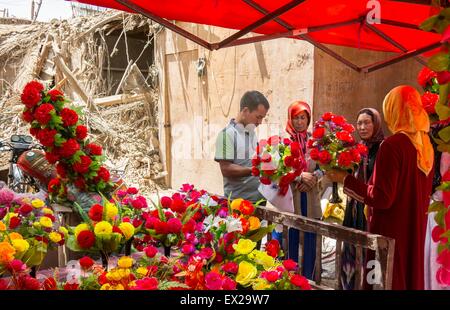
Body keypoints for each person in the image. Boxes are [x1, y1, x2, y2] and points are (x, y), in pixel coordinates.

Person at [326, 85, 434, 290]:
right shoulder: (425, 145)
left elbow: (382, 197)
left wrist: (345, 179)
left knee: (385, 280)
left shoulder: (392, 145)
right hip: (414, 229)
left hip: (389, 231)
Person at [273, 101, 322, 280]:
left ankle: (309, 278)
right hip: (290, 198)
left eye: (303, 118)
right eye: (295, 118)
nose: (299, 122)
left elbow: (324, 167)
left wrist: (315, 177)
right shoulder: (282, 142)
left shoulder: (315, 142)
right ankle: (288, 279)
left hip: (310, 198)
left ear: (308, 119)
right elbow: (275, 170)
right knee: (289, 238)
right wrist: (300, 177)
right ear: (290, 118)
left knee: (310, 238)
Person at [341, 108, 384, 290]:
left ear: (376, 124)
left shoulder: (383, 148)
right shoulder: (357, 149)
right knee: (351, 248)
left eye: (367, 122)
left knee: (370, 254)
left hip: (371, 208)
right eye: (359, 123)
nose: (363, 127)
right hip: (355, 208)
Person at [214, 90, 270, 204]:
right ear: (245, 111)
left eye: (262, 118)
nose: (260, 122)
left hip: (259, 200)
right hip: (239, 203)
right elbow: (226, 169)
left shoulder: (251, 132)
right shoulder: (227, 135)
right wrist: (254, 170)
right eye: (258, 117)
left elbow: (254, 160)